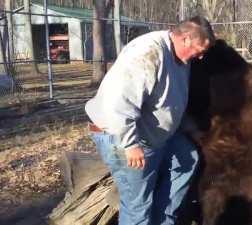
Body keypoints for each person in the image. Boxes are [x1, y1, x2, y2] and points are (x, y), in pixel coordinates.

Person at [85, 16, 215, 225]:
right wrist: (130, 145)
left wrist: (191, 131)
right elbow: (118, 104)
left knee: (187, 156)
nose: (200, 57)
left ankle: (164, 221)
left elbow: (171, 101)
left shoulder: (183, 58)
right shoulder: (147, 53)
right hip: (122, 134)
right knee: (138, 205)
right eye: (200, 49)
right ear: (185, 39)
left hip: (155, 135)